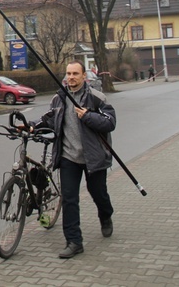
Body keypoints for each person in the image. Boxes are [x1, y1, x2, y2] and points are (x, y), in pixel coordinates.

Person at [28, 61, 116, 259]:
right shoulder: (59, 98)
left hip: (93, 158)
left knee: (98, 193)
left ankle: (106, 214)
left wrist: (88, 116)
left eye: (76, 73)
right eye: (68, 73)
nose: (71, 77)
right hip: (69, 157)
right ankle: (74, 242)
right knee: (69, 199)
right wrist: (32, 126)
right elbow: (50, 120)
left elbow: (110, 123)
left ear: (84, 76)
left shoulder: (96, 98)